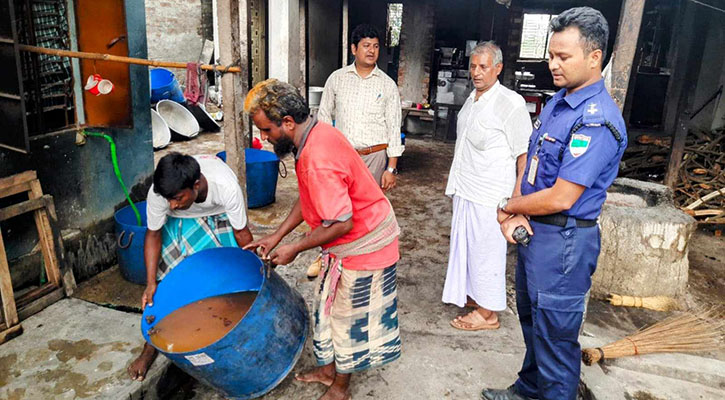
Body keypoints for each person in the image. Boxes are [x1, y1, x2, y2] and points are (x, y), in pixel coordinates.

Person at [482, 7, 627, 400]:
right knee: (532, 324)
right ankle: (528, 390)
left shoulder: (596, 120)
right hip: (536, 234)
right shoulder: (561, 104)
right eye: (551, 55)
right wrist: (515, 207)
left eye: (564, 56)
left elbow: (564, 195)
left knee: (557, 342)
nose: (553, 64)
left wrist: (512, 206)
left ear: (594, 57)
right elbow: (530, 162)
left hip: (564, 244)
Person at [243, 79, 401, 400]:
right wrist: (276, 236)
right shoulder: (313, 135)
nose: (264, 138)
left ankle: (340, 389)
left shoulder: (317, 157)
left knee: (345, 321)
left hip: (365, 243)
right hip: (350, 240)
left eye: (267, 131)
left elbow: (342, 224)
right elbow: (308, 196)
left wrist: (296, 248)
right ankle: (329, 370)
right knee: (326, 311)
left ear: (288, 123)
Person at [127, 152, 253, 381]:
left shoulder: (226, 186)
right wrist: (150, 283)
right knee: (167, 283)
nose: (172, 204)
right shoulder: (161, 194)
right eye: (168, 200)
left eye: (177, 198)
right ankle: (150, 347)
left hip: (219, 214)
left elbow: (242, 232)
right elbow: (153, 234)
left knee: (232, 276)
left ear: (196, 185)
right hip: (181, 222)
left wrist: (258, 270)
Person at [442, 42, 531, 331]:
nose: (476, 72)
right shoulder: (473, 98)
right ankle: (474, 295)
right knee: (467, 247)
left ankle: (488, 313)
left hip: (492, 194)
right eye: (473, 66)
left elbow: (524, 155)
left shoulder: (510, 103)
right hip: (467, 187)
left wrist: (517, 200)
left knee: (487, 252)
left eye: (483, 67)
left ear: (498, 68)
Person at [318, 24, 403, 191]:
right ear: (354, 49)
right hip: (342, 156)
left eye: (376, 46)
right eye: (366, 46)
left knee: (368, 209)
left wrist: (391, 169)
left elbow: (394, 127)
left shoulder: (387, 85)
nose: (371, 51)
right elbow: (324, 117)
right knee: (340, 208)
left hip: (374, 157)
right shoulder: (337, 79)